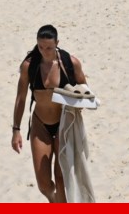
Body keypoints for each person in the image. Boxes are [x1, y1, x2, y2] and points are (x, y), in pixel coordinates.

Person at [11, 25, 89, 202]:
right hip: (41, 124)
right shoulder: (29, 65)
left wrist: (79, 103)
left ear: (57, 44)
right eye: (40, 47)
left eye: (49, 48)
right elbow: (20, 99)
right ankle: (54, 200)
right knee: (44, 184)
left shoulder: (70, 63)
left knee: (60, 178)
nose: (44, 52)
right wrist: (16, 130)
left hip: (64, 124)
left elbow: (85, 90)